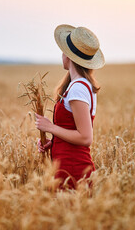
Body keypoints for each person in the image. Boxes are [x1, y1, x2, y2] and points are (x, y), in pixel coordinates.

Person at [35, 24, 105, 189]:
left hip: (74, 171)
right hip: (66, 169)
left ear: (68, 56)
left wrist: (50, 128)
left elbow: (85, 137)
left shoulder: (78, 89)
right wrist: (54, 142)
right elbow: (72, 129)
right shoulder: (78, 85)